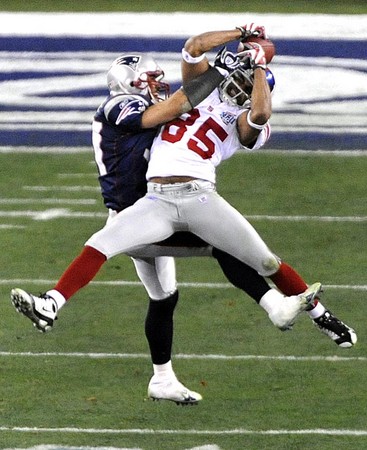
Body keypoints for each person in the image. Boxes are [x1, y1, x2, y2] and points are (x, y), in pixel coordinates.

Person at [11, 24, 356, 405]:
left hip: (197, 198)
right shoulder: (167, 98)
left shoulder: (238, 118)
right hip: (152, 202)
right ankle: (51, 303)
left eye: (248, 85)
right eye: (238, 81)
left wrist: (256, 68)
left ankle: (312, 316)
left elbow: (256, 115)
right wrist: (237, 36)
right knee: (101, 243)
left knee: (257, 260)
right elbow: (192, 52)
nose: (239, 89)